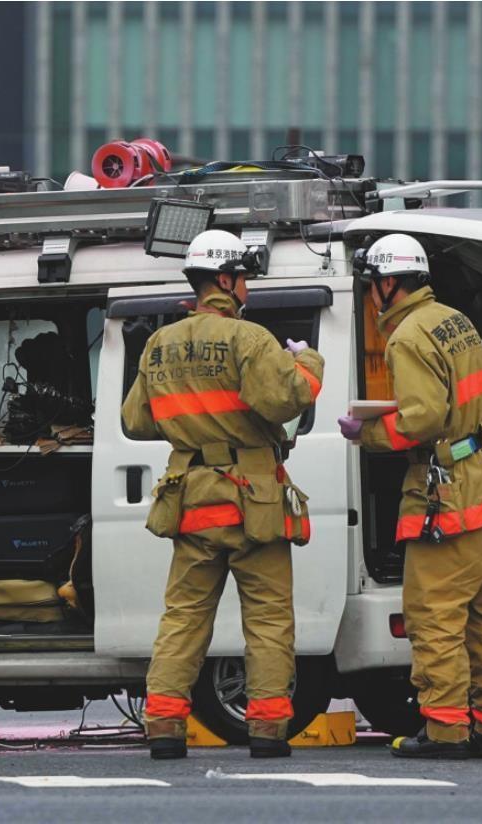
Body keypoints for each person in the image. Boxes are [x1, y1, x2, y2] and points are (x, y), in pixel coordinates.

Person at [122, 229, 324, 760]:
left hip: (191, 500)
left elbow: (136, 421)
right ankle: (267, 730)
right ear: (229, 281)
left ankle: (164, 725)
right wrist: (309, 363)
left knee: (184, 616)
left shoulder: (158, 345)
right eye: (245, 279)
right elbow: (289, 399)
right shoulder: (249, 338)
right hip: (251, 500)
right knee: (268, 617)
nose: (248, 289)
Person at [338, 233, 482, 759]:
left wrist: (365, 433)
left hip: (452, 493)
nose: (374, 293)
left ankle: (445, 730)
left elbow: (421, 420)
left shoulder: (407, 336)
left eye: (374, 283)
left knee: (434, 615)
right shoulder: (455, 320)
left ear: (389, 282)